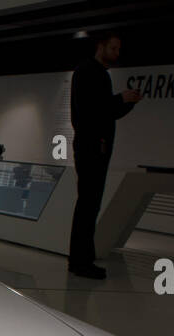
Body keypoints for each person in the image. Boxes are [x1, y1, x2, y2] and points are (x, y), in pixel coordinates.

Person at [68, 32, 141, 279]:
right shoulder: (88, 72)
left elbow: (106, 112)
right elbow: (93, 110)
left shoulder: (97, 74)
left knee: (90, 204)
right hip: (91, 147)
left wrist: (127, 103)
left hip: (96, 146)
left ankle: (82, 258)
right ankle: (80, 260)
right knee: (88, 204)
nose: (117, 54)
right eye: (113, 48)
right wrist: (121, 99)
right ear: (101, 46)